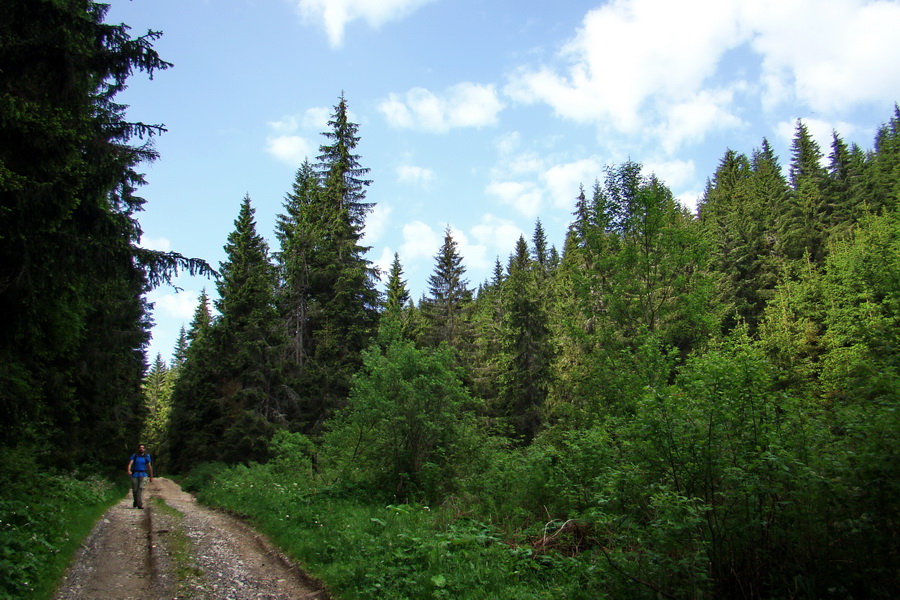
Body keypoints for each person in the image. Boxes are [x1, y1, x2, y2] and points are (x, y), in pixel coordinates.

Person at [127, 444, 153, 509]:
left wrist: (151, 476)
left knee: (141, 489)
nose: (141, 449)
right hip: (135, 474)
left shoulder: (147, 456)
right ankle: (136, 501)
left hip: (143, 474)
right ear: (138, 449)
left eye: (143, 448)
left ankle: (140, 504)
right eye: (140, 448)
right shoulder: (135, 456)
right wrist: (129, 470)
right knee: (135, 490)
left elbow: (149, 466)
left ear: (144, 449)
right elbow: (130, 463)